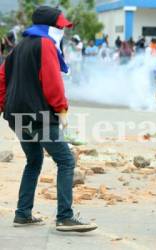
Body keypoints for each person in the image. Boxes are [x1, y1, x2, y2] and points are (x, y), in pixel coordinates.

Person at [0, 5, 97, 232]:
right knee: (66, 160)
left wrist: (4, 105)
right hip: (38, 115)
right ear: (50, 26)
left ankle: (22, 214)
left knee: (33, 161)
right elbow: (52, 80)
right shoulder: (45, 44)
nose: (62, 30)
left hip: (17, 114)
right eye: (60, 26)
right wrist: (61, 109)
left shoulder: (19, 46)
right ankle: (65, 216)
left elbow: (2, 77)